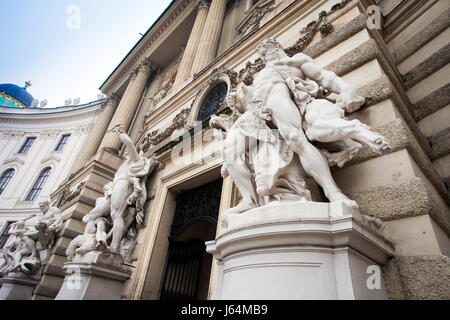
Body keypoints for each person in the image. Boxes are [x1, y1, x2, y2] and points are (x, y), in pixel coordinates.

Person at [224, 38, 367, 213]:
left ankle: (333, 192)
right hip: (254, 113)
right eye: (262, 54)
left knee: (295, 139)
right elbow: (249, 99)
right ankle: (249, 200)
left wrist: (346, 89)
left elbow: (325, 78)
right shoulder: (261, 74)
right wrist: (238, 103)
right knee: (229, 152)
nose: (264, 57)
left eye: (266, 51)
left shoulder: (295, 61)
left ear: (277, 48)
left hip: (279, 97)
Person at [107, 124, 159, 252]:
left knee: (116, 215)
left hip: (123, 185)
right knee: (116, 216)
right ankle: (111, 241)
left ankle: (114, 246)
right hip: (119, 186)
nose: (125, 154)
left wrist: (119, 133)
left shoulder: (134, 159)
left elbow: (129, 142)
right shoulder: (125, 164)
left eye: (126, 153)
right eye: (125, 153)